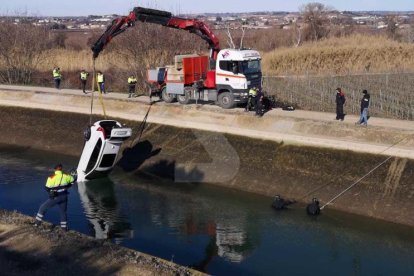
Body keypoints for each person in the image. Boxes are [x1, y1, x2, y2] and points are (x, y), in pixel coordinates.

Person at [34, 164, 76, 231]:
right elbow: (73, 180)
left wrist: (50, 192)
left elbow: (47, 188)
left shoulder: (51, 178)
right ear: (61, 169)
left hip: (56, 197)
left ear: (55, 169)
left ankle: (36, 224)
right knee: (63, 212)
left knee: (42, 207)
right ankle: (64, 228)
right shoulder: (66, 176)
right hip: (64, 197)